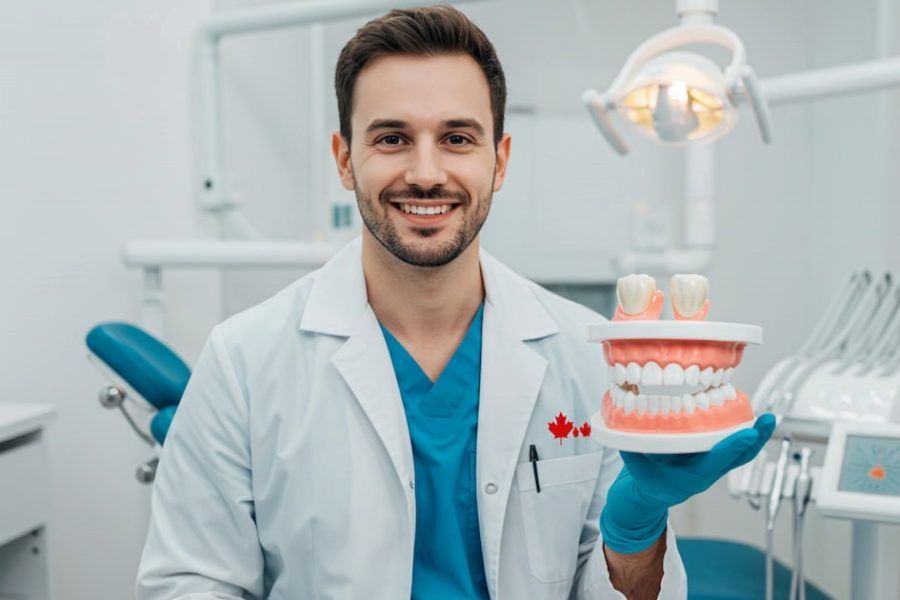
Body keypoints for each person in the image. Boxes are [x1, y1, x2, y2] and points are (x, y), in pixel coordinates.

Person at [136, 6, 774, 599]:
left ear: (500, 161)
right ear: (344, 159)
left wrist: (636, 532)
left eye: (457, 138)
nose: (425, 173)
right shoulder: (245, 362)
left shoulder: (584, 358)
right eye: (392, 138)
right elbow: (190, 581)